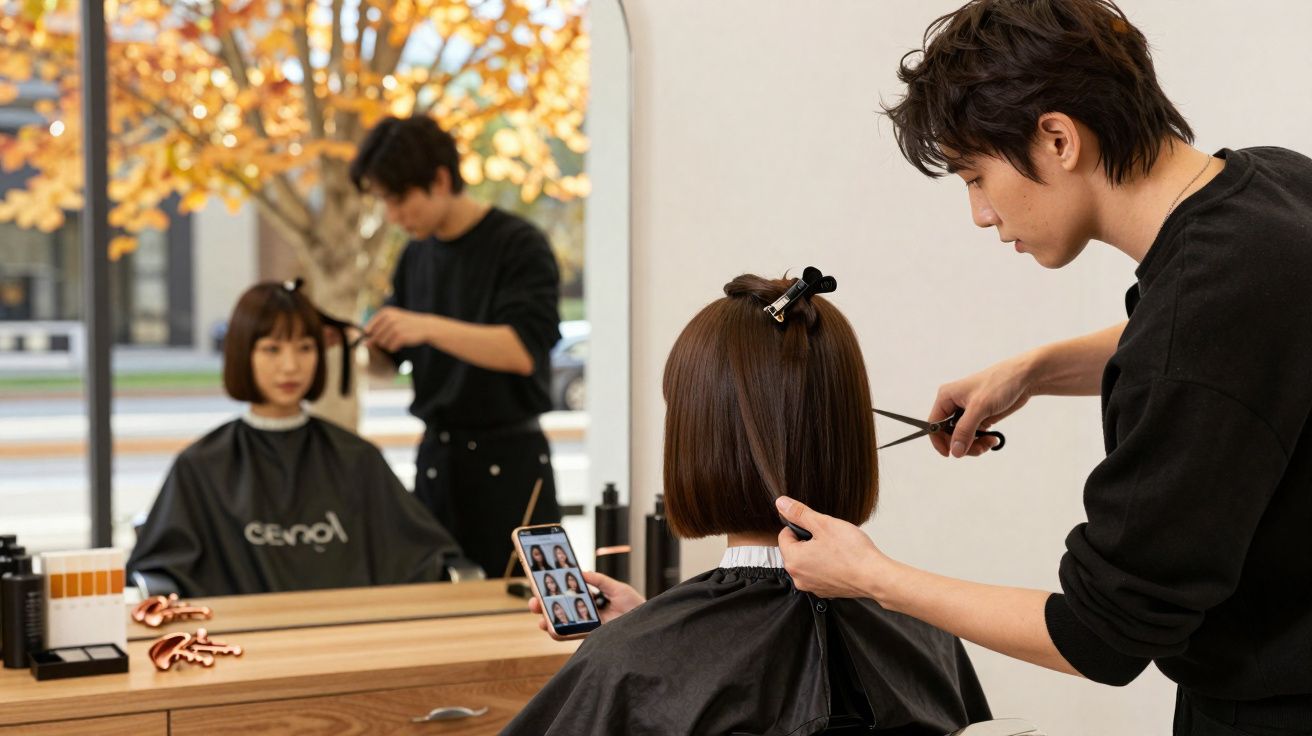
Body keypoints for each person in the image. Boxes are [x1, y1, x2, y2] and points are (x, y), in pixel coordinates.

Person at [772, 2, 1312, 734]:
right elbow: (1238, 347)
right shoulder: (1273, 190)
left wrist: (874, 578)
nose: (980, 215)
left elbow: (1102, 636)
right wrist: (1036, 368)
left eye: (973, 176)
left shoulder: (1196, 327)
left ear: (1057, 138)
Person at [508, 275, 991, 735]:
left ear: (696, 439)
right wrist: (652, 628)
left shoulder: (626, 662)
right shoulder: (931, 632)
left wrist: (652, 640)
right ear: (850, 437)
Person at [129, 281, 463, 597]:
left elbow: (423, 557)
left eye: (304, 348)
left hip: (352, 641)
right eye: (272, 349)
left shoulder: (356, 458)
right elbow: (160, 573)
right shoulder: (201, 465)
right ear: (243, 354)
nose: (290, 367)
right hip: (238, 646)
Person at [349, 115, 563, 576]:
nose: (392, 215)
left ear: (440, 180)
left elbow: (523, 350)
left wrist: (425, 327)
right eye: (385, 201)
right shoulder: (415, 255)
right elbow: (388, 368)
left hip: (510, 464)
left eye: (398, 198)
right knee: (435, 603)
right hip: (436, 462)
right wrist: (365, 345)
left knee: (531, 611)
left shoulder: (518, 244)